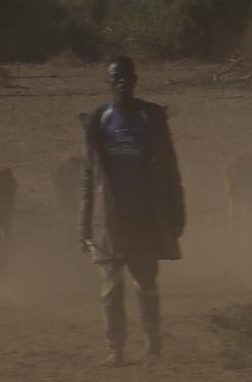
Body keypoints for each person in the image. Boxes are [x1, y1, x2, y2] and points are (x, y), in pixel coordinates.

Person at [77, 55, 186, 362]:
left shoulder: (151, 118)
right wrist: (83, 226)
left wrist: (178, 213)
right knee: (110, 286)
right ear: (109, 83)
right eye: (116, 78)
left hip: (145, 217)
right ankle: (116, 349)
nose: (123, 82)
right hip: (109, 220)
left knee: (147, 283)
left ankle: (154, 344)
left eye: (127, 76)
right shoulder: (100, 120)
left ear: (136, 79)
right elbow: (89, 177)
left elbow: (170, 169)